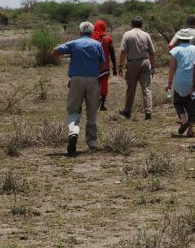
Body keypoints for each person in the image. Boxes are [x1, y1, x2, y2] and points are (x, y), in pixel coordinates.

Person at [52, 22, 107, 156]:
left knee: (73, 109)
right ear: (92, 32)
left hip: (76, 80)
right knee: (92, 111)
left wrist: (69, 50)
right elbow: (102, 64)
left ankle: (73, 133)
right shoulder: (97, 44)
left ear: (80, 31)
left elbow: (54, 52)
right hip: (93, 80)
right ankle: (92, 143)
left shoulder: (74, 44)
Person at [117, 17, 156, 120]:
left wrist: (120, 65)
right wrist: (153, 66)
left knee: (131, 88)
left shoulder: (127, 34)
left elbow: (123, 52)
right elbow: (152, 53)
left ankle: (127, 111)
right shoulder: (146, 35)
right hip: (145, 62)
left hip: (132, 63)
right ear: (141, 25)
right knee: (146, 88)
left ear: (131, 24)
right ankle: (148, 112)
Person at [166, 29, 195, 137]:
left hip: (180, 80)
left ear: (179, 39)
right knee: (192, 106)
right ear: (190, 39)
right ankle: (190, 130)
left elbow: (172, 68)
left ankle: (183, 119)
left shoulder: (175, 51)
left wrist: (169, 83)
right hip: (193, 80)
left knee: (178, 102)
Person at [91, 20, 118, 111]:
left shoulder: (90, 38)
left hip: (92, 66)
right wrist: (115, 67)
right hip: (105, 66)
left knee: (94, 84)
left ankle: (93, 102)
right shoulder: (108, 39)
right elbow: (112, 54)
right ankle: (102, 105)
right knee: (104, 84)